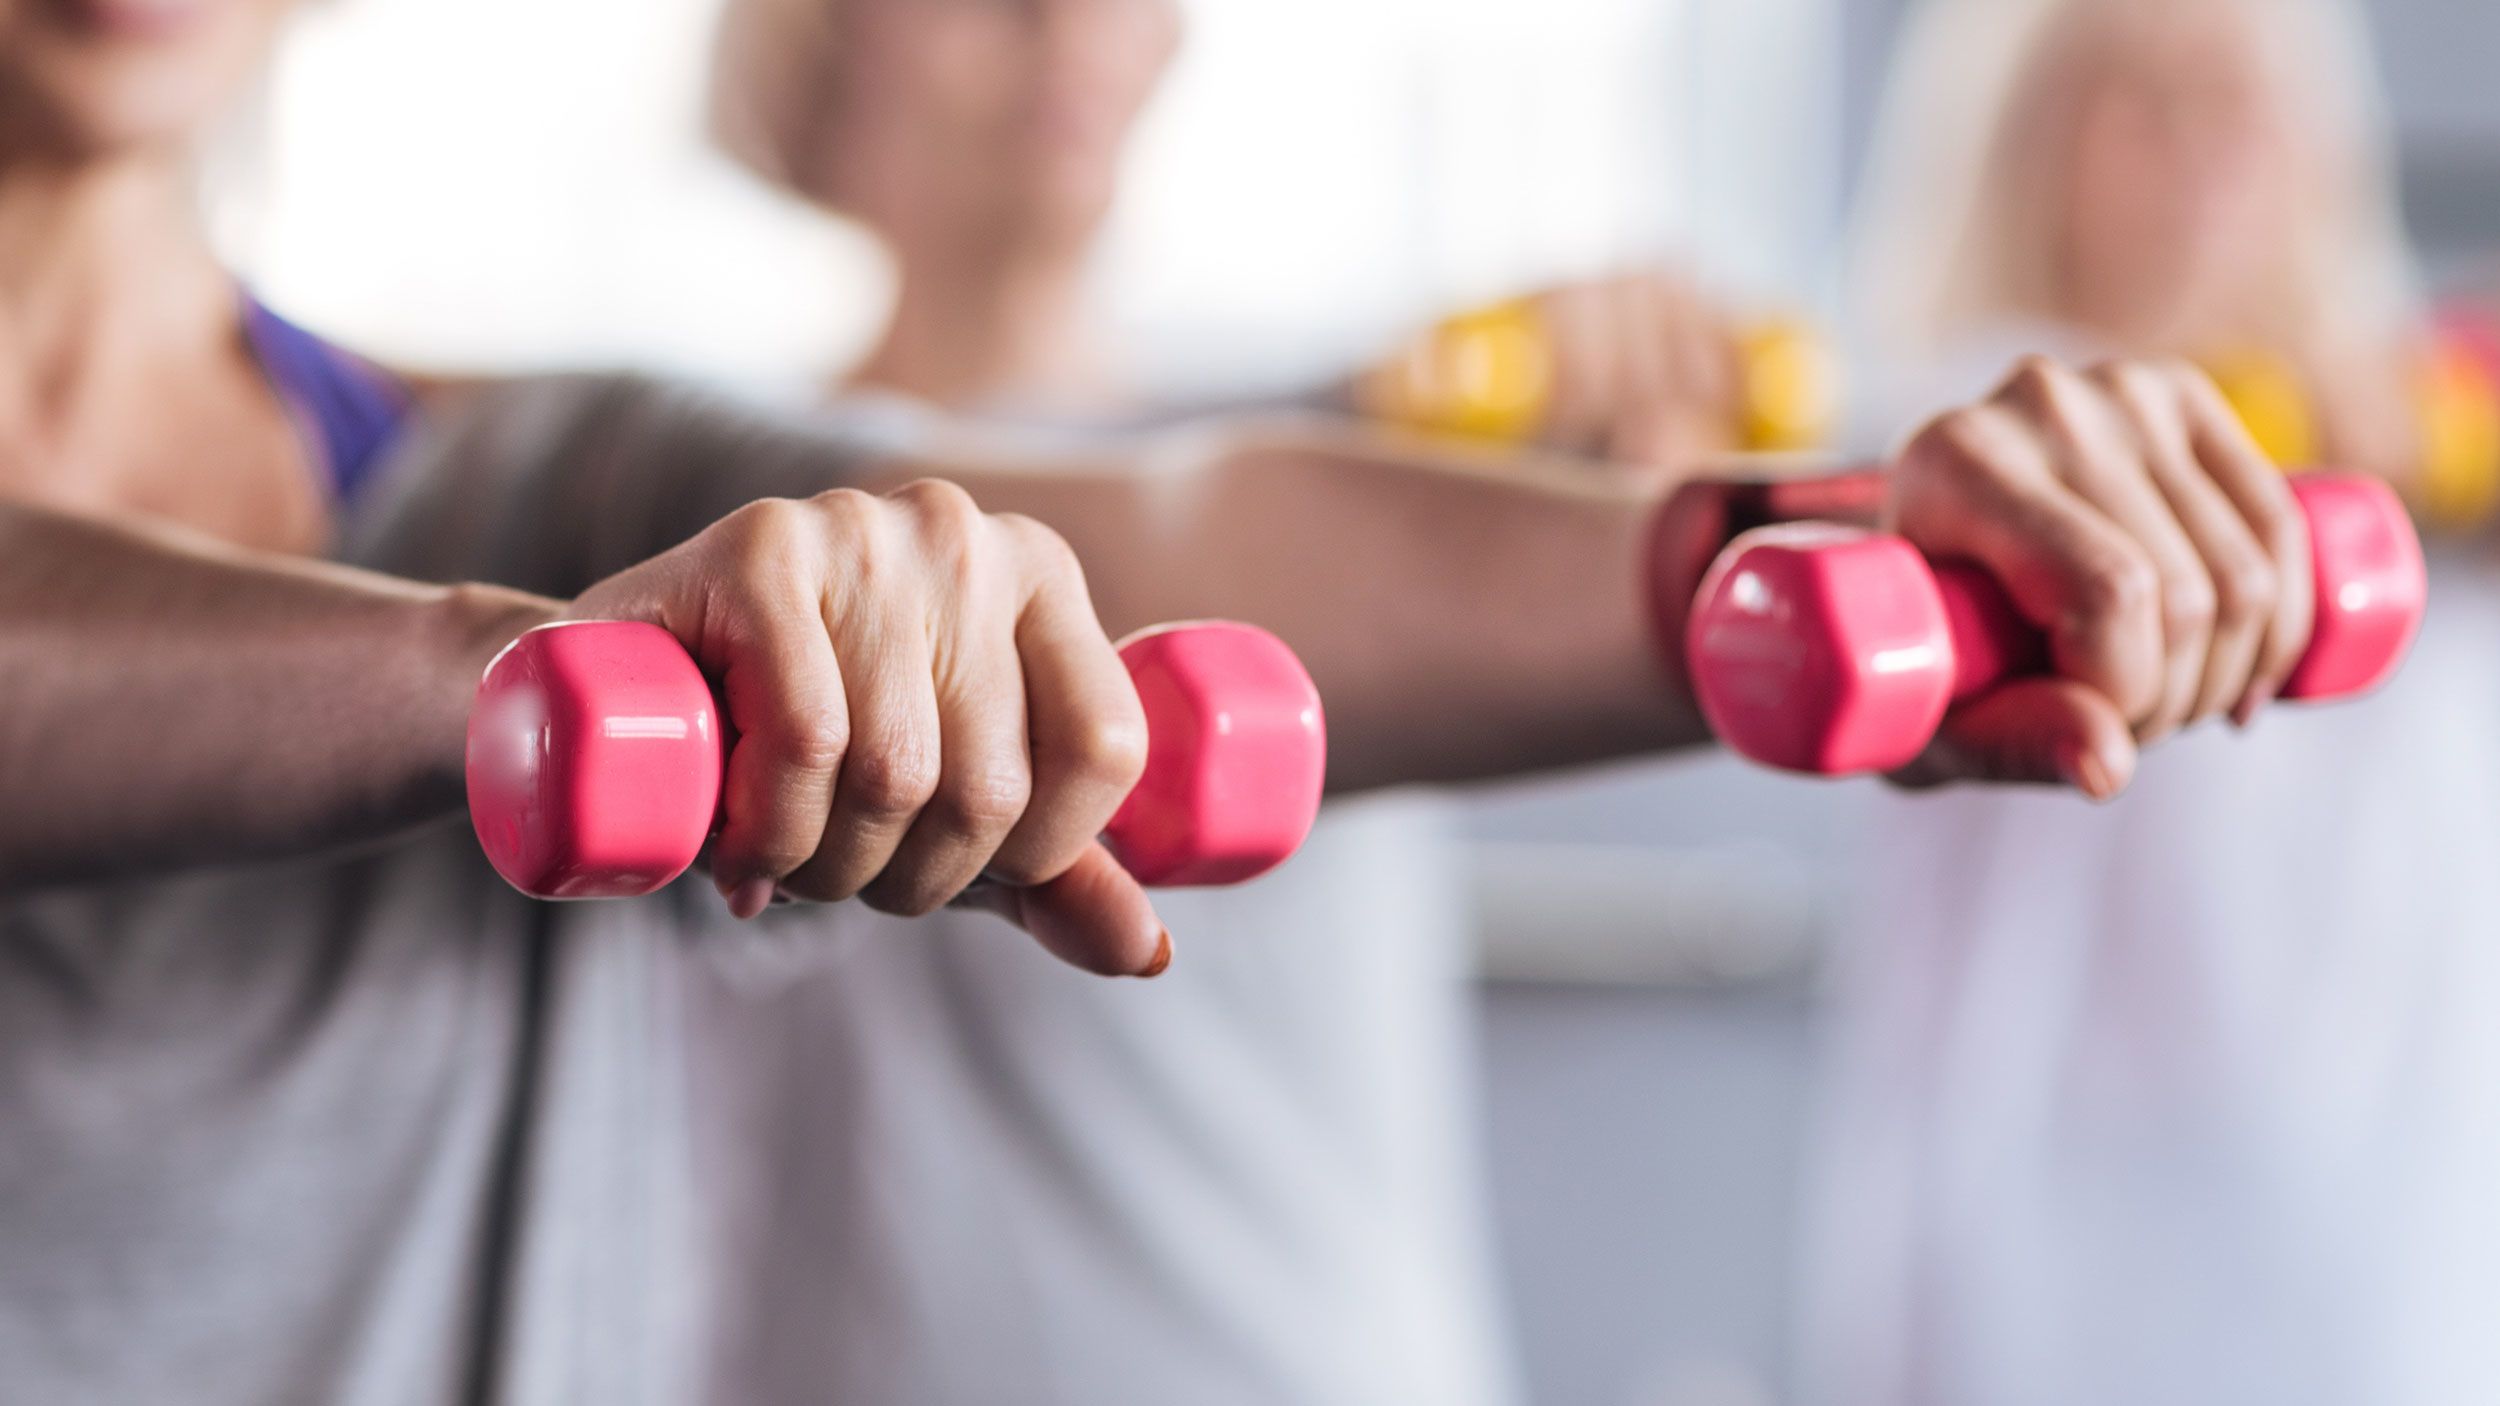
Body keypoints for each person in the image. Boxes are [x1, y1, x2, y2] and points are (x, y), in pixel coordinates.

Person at [0, 0, 2339, 1401]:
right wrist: (476, 676)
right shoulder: (496, 573)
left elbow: (1191, 534)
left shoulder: (514, 466)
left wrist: (1792, 565)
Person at [702, 2, 2330, 1401]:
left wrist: (1763, 528)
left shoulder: (1349, 444)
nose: (1069, 25)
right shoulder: (701, 533)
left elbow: (1279, 517)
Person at [1800, 3, 2500, 1403]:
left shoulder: (2421, 450)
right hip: (2051, 1260)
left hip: (2380, 1270)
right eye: (2135, 103)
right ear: (2018, 154)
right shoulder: (1955, 433)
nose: (2203, 150)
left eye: (2240, 100)